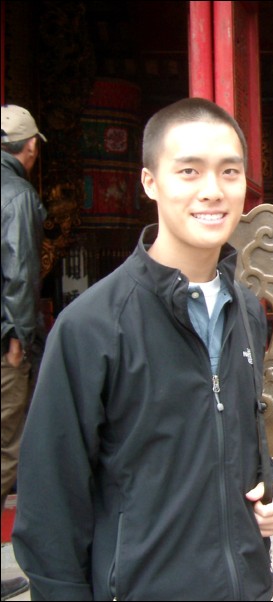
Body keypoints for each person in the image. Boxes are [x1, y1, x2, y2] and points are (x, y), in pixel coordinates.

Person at [12, 97, 273, 600]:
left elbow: (239, 432)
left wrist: (272, 490)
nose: (213, 191)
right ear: (149, 182)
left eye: (230, 172)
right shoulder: (91, 327)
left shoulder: (246, 310)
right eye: (189, 171)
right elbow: (49, 504)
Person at [1, 104, 48, 602]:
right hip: (2, 343)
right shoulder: (16, 195)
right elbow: (18, 271)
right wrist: (18, 338)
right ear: (30, 147)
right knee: (5, 449)